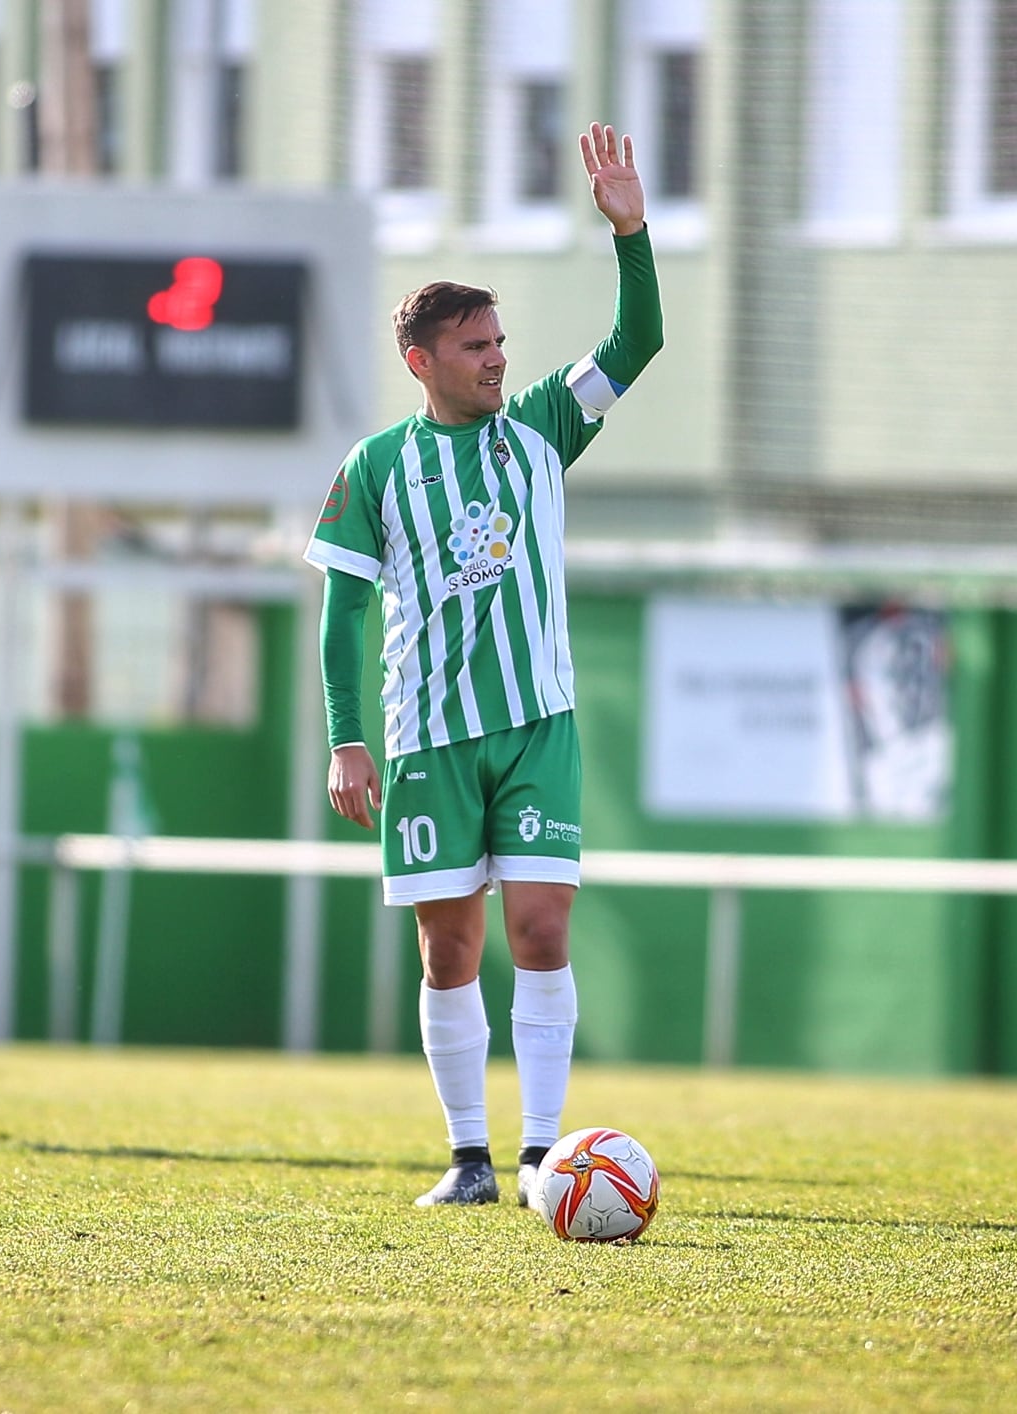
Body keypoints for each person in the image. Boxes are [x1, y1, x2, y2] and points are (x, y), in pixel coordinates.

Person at [305, 124, 662, 1207]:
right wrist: (346, 733)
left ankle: (546, 1155)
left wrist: (630, 233)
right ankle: (465, 1155)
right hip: (427, 739)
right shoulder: (376, 465)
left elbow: (635, 340)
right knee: (448, 949)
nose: (498, 358)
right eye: (474, 347)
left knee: (540, 928)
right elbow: (342, 608)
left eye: (500, 341)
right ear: (421, 360)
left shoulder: (546, 427)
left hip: (537, 725)